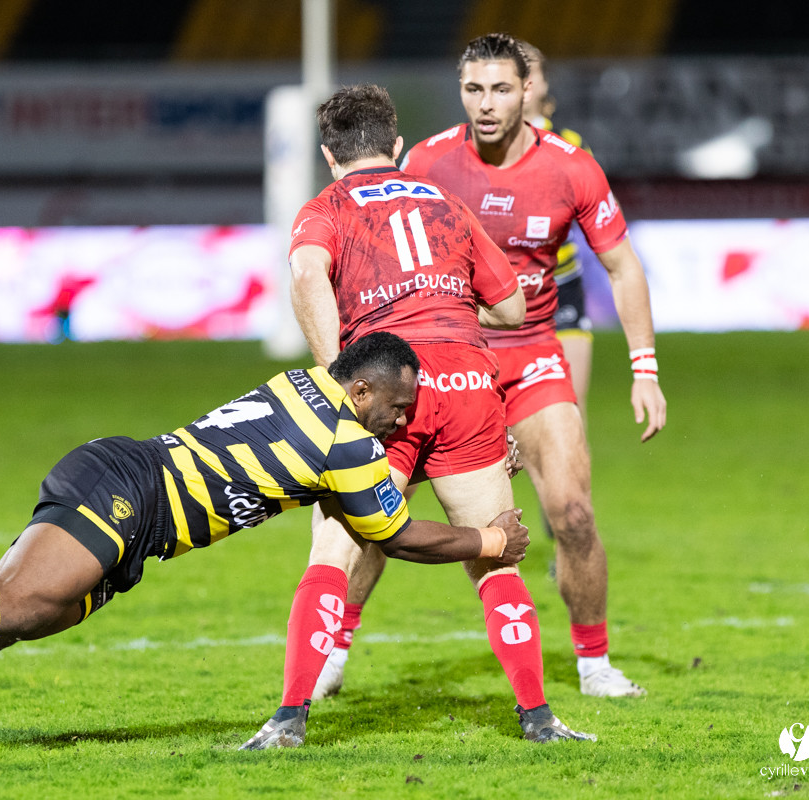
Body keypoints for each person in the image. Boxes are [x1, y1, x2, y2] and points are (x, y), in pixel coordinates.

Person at [0, 332, 534, 768]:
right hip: (132, 488)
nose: (403, 424)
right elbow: (396, 535)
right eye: (398, 408)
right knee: (12, 602)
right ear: (363, 394)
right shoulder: (347, 442)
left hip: (140, 509)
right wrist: (489, 537)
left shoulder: (305, 385)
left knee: (11, 627)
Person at [316, 33, 668, 702]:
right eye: (473, 89)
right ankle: (333, 647)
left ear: (528, 91)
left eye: (501, 88)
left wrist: (644, 368)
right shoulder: (426, 161)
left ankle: (593, 663)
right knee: (373, 511)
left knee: (572, 512)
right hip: (439, 362)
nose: (486, 103)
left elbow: (622, 266)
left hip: (532, 352)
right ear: (460, 93)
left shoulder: (571, 168)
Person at [241, 84, 594, 751]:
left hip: (384, 385)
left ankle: (288, 720)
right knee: (496, 552)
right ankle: (539, 718)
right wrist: (450, 314)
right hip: (465, 384)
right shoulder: (444, 202)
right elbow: (514, 308)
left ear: (328, 155)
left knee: (333, 554)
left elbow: (308, 276)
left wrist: (338, 378)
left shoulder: (327, 208)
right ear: (397, 147)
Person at [518, 40, 594, 414]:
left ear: (545, 83)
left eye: (531, 70)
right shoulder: (474, 147)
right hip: (502, 294)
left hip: (561, 284)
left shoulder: (572, 146)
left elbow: (595, 219)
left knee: (571, 417)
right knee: (497, 432)